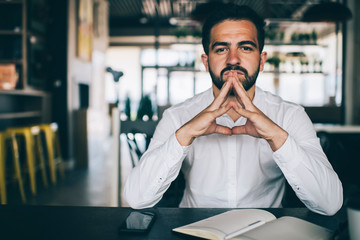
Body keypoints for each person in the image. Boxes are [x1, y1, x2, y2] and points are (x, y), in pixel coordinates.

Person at [124, 3, 343, 216]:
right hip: (194, 229)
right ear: (206, 61)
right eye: (221, 49)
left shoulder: (290, 115)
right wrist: (185, 134)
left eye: (246, 47)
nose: (233, 59)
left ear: (261, 60)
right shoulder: (178, 116)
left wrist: (277, 137)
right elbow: (136, 198)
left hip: (263, 232)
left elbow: (330, 203)